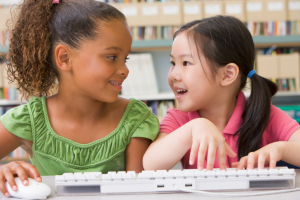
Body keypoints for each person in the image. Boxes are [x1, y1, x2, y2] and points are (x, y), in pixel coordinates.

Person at [0, 0, 159, 197]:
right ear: (64, 58)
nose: (125, 70)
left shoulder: (135, 119)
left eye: (125, 59)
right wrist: (3, 171)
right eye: (111, 57)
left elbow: (138, 194)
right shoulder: (30, 120)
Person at [143, 15, 300, 173]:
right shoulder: (180, 120)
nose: (173, 75)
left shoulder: (264, 115)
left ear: (227, 75)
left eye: (186, 63)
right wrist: (193, 128)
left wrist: (282, 149)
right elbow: (150, 165)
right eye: (173, 63)